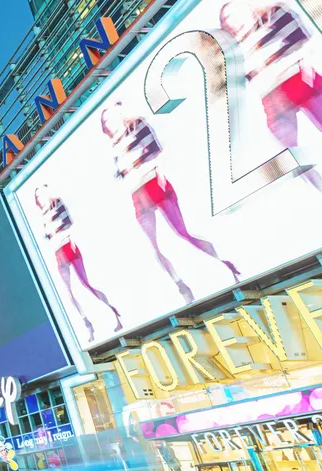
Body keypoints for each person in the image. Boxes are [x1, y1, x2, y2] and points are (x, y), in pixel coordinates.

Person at [100, 102, 241, 304]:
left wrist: (158, 176)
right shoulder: (114, 148)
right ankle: (182, 287)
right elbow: (123, 174)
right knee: (154, 247)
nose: (108, 123)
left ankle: (224, 264)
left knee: (182, 233)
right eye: (105, 121)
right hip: (137, 194)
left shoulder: (137, 125)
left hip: (154, 184)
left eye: (111, 117)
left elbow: (156, 152)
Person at [219, 0, 322, 191]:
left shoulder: (273, 15)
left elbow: (304, 38)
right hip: (273, 98)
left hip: (299, 78)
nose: (227, 23)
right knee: (293, 153)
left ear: (247, 9)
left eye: (229, 17)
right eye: (223, 21)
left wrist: (275, 62)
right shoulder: (234, 52)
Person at [34, 185, 123, 341]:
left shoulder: (56, 202)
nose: (39, 199)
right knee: (69, 293)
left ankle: (114, 314)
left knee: (85, 284)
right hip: (58, 252)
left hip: (68, 245)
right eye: (37, 197)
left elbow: (69, 223)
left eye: (40, 194)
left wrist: (62, 235)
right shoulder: (43, 215)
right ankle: (88, 325)